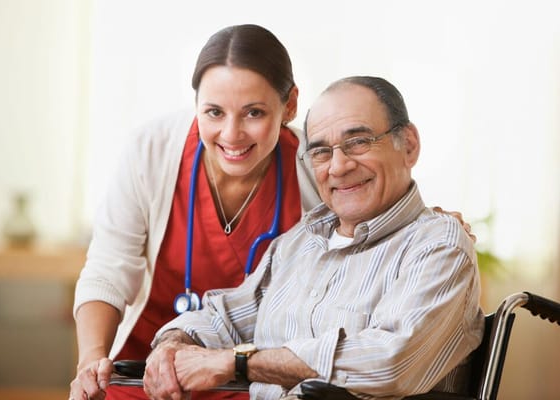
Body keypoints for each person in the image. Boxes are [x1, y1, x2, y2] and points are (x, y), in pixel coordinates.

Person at [70, 23, 472, 400]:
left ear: (289, 106)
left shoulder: (423, 239)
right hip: (164, 366)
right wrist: (173, 343)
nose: (231, 133)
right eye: (213, 112)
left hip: (242, 377)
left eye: (254, 112)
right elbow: (220, 312)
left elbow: (379, 205)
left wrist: (236, 361)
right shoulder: (306, 240)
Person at [143, 76, 484, 400]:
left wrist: (240, 362)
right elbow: (224, 318)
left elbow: (389, 361)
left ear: (408, 146)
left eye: (358, 142)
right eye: (321, 151)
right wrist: (174, 342)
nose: (338, 166)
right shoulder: (299, 244)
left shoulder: (438, 245)